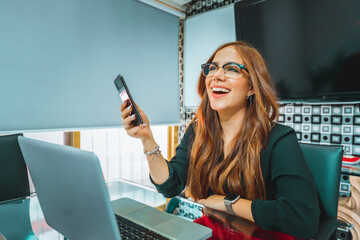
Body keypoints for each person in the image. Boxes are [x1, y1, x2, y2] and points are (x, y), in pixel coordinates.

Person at [120, 41, 320, 239]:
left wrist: (226, 203)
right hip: (212, 231)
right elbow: (170, 185)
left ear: (252, 87)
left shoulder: (279, 139)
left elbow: (302, 219)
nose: (216, 75)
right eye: (212, 68)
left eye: (232, 69)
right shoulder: (198, 130)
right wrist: (146, 139)